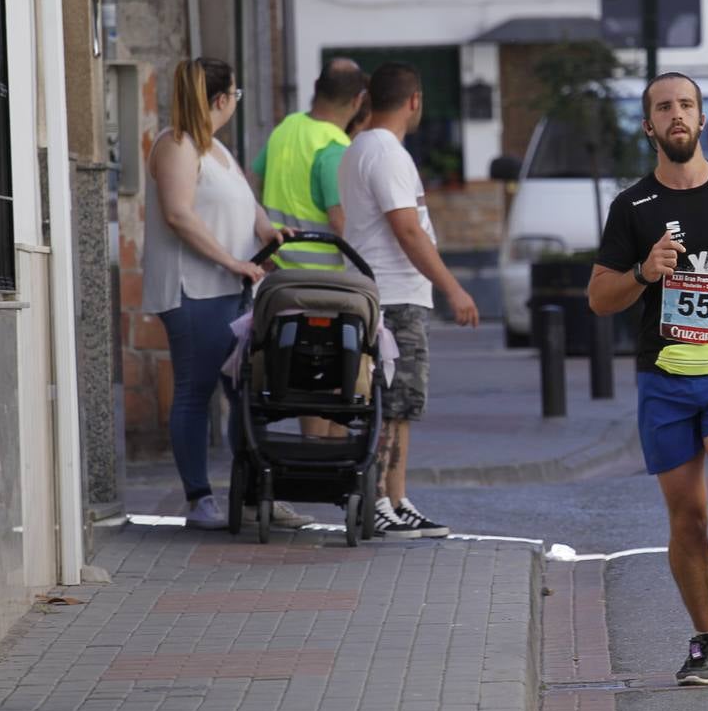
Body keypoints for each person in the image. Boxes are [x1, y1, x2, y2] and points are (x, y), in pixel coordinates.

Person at [588, 72, 708, 687]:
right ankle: (707, 640)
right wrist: (645, 273)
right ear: (649, 126)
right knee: (685, 519)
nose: (677, 115)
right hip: (665, 378)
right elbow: (598, 298)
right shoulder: (632, 208)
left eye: (687, 106)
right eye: (664, 108)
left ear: (701, 121)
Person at [142, 58, 311, 529]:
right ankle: (200, 499)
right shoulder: (176, 146)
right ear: (222, 99)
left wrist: (269, 236)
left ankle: (255, 492)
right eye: (235, 95)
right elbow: (179, 215)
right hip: (195, 290)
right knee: (197, 393)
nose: (236, 102)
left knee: (246, 393)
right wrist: (230, 260)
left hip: (233, 289)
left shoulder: (216, 149)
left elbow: (249, 207)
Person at [339, 62, 480, 538]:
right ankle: (379, 499)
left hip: (386, 292)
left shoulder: (362, 147)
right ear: (414, 100)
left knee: (401, 405)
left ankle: (396, 499)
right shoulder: (385, 153)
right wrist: (453, 288)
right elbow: (407, 230)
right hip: (394, 295)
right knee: (391, 404)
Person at [253, 57, 367, 269]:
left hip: (276, 269)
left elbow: (253, 182)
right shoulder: (335, 148)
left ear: (317, 87)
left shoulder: (287, 126)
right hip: (321, 279)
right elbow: (340, 222)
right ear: (358, 100)